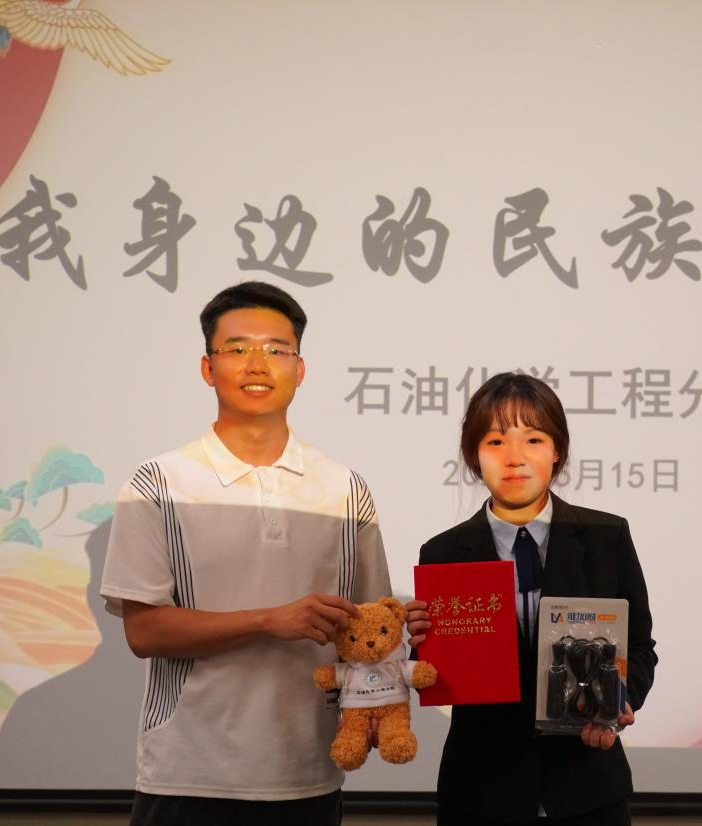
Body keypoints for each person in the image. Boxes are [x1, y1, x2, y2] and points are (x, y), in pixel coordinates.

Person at [100, 281, 392, 826]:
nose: (258, 364)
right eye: (237, 348)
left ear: (300, 369)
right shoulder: (158, 482)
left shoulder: (344, 488)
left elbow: (370, 626)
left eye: (276, 350)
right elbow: (144, 632)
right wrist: (268, 620)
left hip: (308, 771)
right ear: (208, 368)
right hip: (188, 772)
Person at [411, 373, 656, 826]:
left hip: (587, 785)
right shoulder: (443, 552)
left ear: (557, 450)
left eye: (534, 439)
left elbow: (640, 646)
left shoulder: (606, 536)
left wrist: (619, 701)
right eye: (495, 441)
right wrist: (421, 647)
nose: (514, 457)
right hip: (482, 788)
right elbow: (439, 672)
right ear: (473, 455)